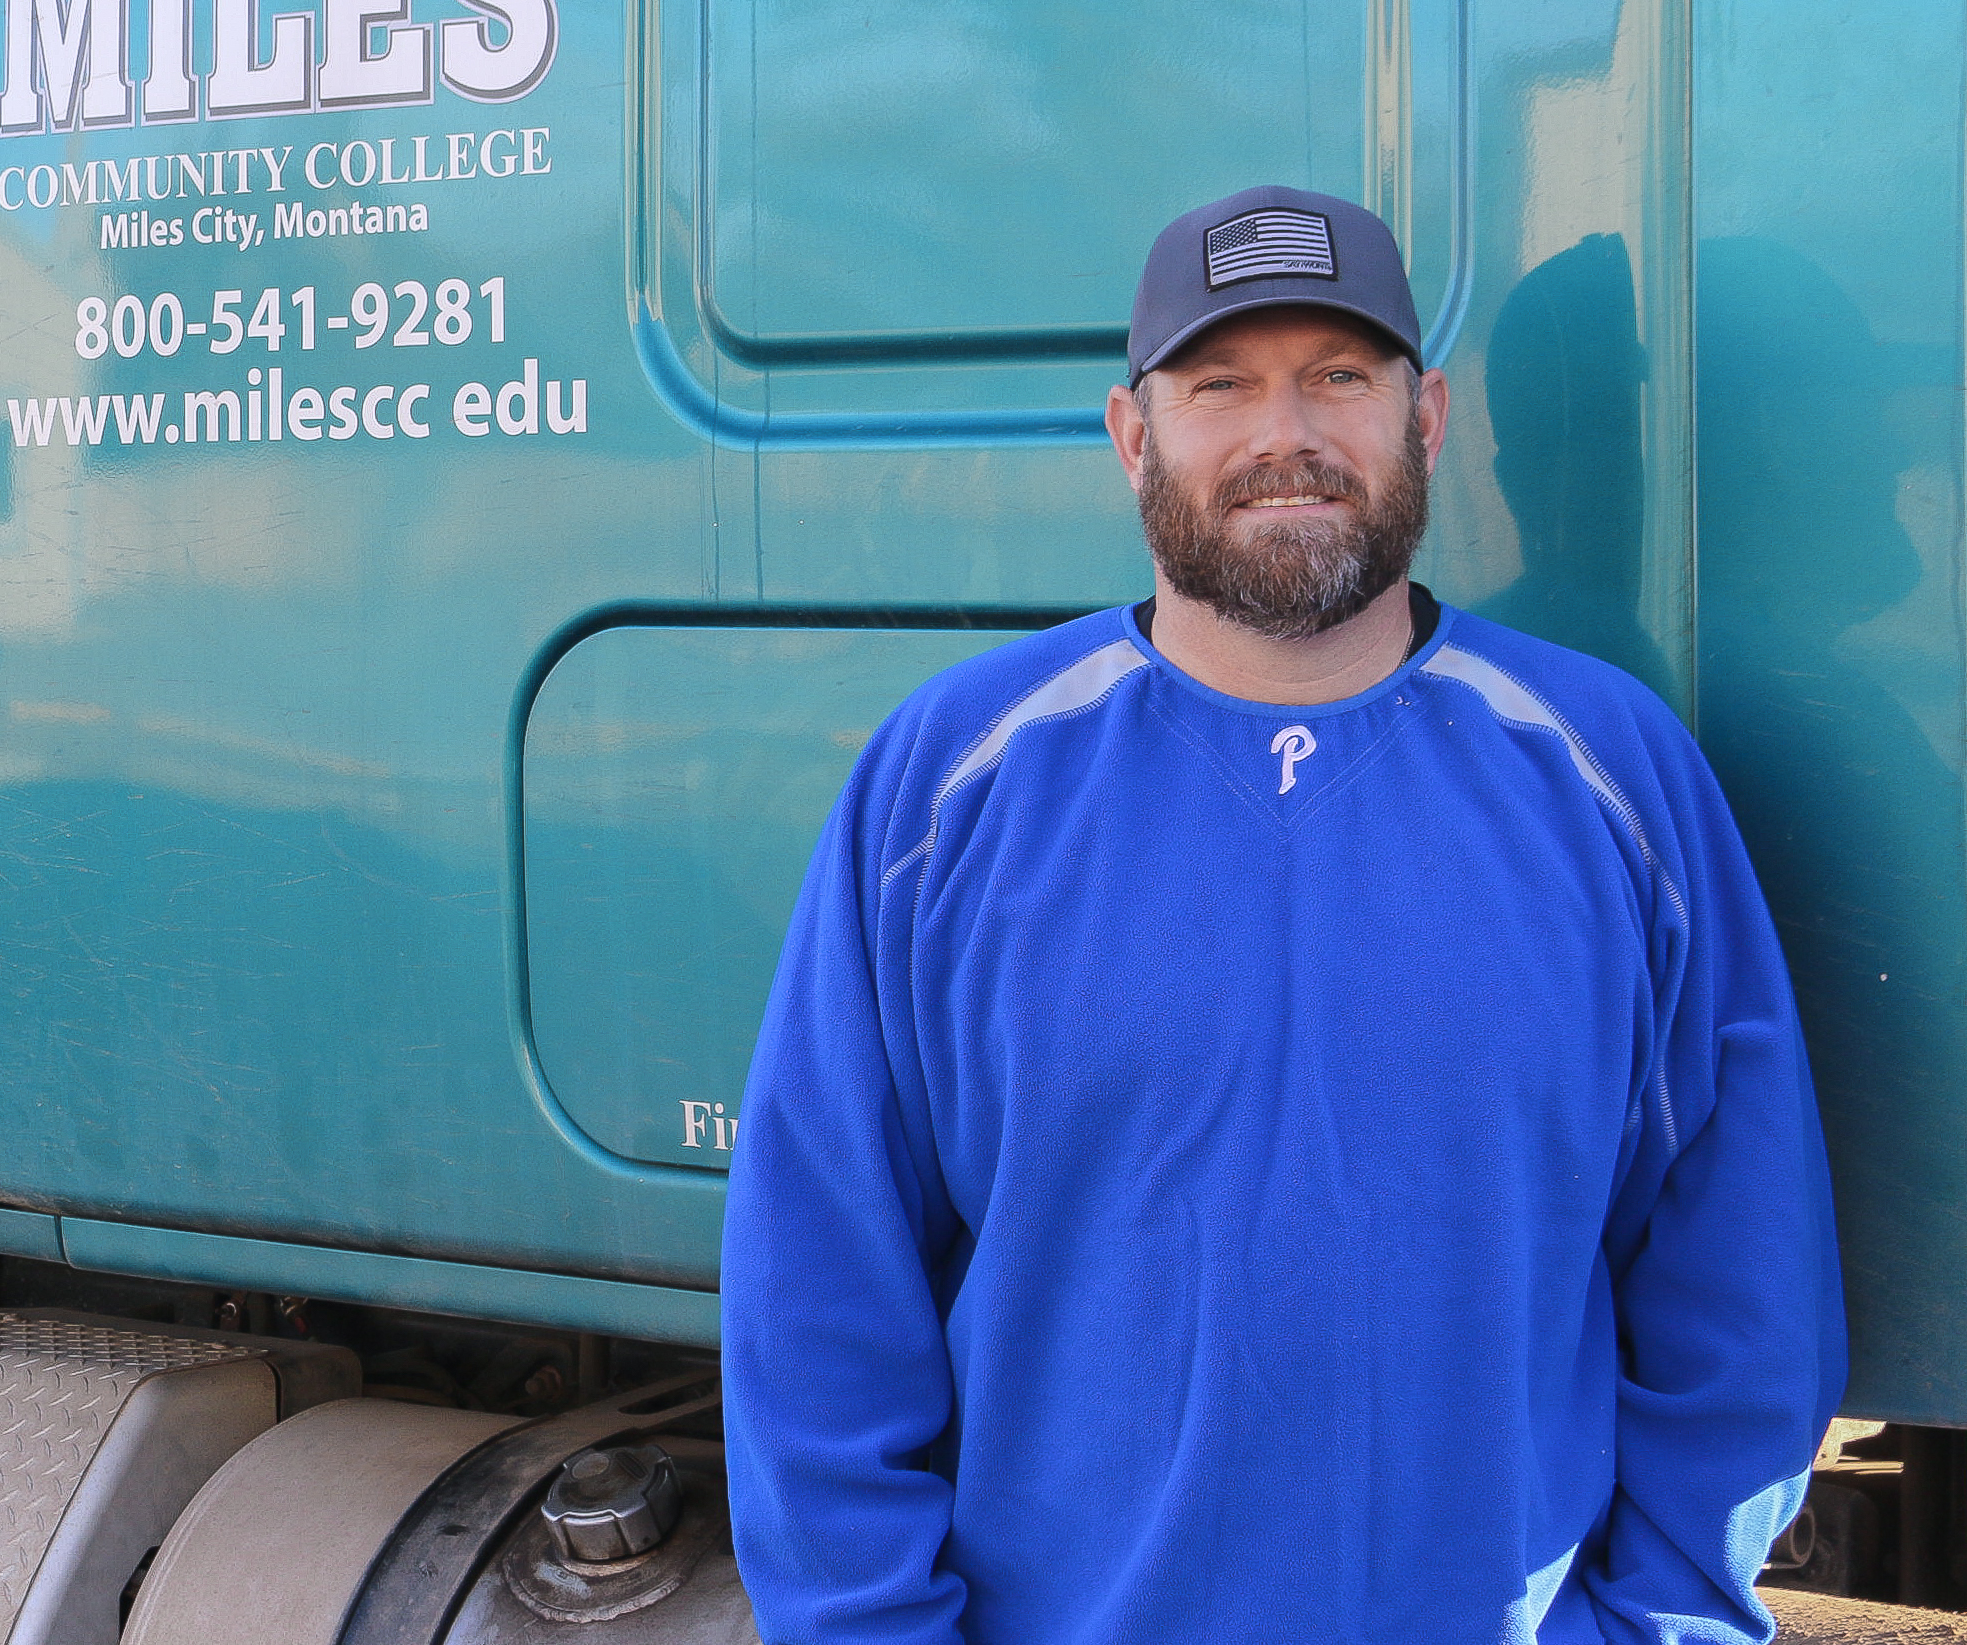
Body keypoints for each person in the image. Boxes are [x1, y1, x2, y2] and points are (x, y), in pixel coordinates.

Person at [720, 184, 1844, 1642]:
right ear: (1135, 435)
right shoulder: (949, 786)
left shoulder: (1610, 777)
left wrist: (1653, 1630)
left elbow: (1741, 1293)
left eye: (1337, 379)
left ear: (1423, 417)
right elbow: (818, 1295)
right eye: (1219, 386)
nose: (1283, 437)